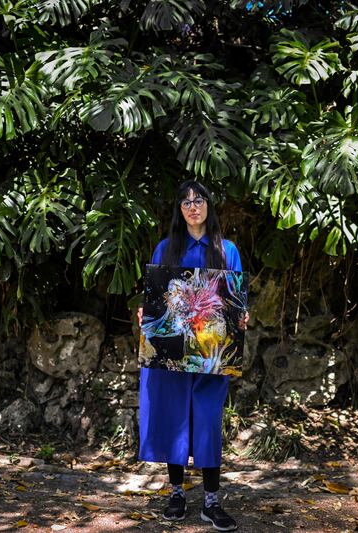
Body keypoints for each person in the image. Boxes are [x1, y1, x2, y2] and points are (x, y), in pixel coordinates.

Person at [136, 180, 248, 532]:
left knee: (208, 420)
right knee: (174, 417)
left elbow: (237, 303)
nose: (193, 206)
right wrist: (146, 314)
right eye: (185, 202)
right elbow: (153, 301)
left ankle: (211, 500)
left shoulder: (226, 250)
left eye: (199, 200)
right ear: (179, 210)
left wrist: (243, 317)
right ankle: (177, 494)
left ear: (208, 206)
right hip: (172, 350)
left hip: (211, 352)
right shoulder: (166, 249)